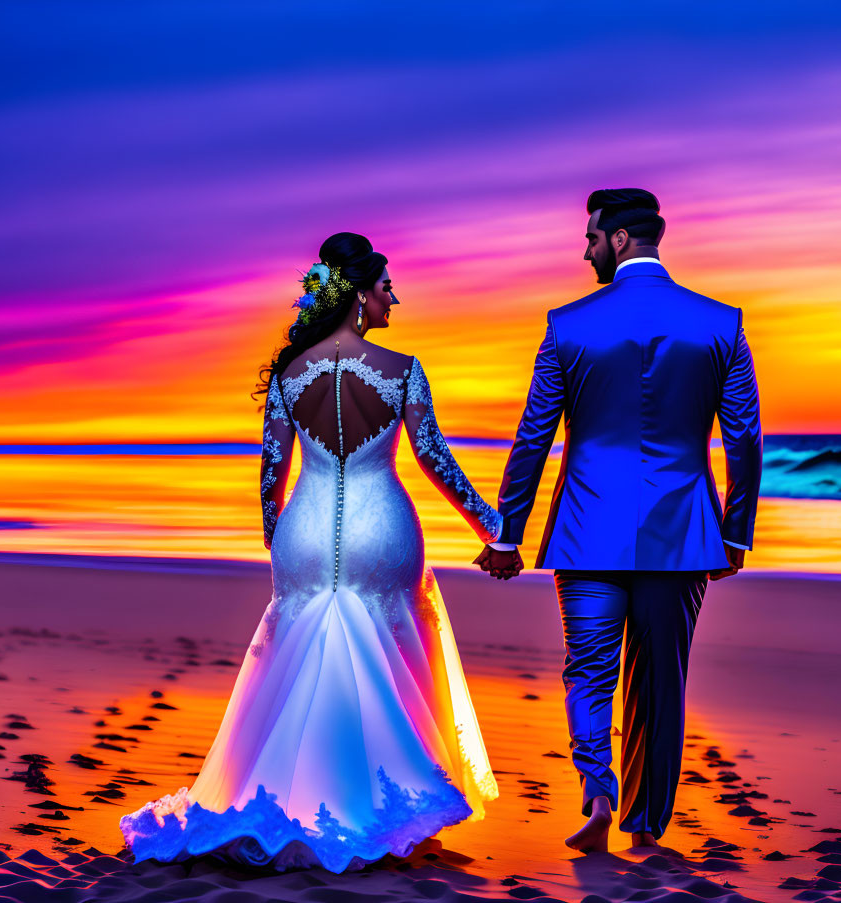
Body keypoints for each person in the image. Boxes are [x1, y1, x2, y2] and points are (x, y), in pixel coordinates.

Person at [120, 233, 501, 871]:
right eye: (385, 287)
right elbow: (434, 459)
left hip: (305, 526)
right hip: (382, 527)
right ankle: (389, 808)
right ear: (357, 294)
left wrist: (277, 532)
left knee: (299, 664)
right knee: (392, 655)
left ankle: (290, 794)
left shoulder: (289, 373)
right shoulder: (402, 369)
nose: (394, 298)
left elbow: (272, 470)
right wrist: (496, 529)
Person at [478, 188, 763, 853]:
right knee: (660, 678)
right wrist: (735, 532)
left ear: (623, 238)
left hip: (585, 528)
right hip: (682, 530)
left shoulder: (567, 324)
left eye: (591, 237)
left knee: (588, 668)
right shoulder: (719, 322)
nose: (585, 249)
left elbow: (532, 438)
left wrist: (508, 531)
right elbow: (743, 437)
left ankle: (596, 787)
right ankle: (644, 822)